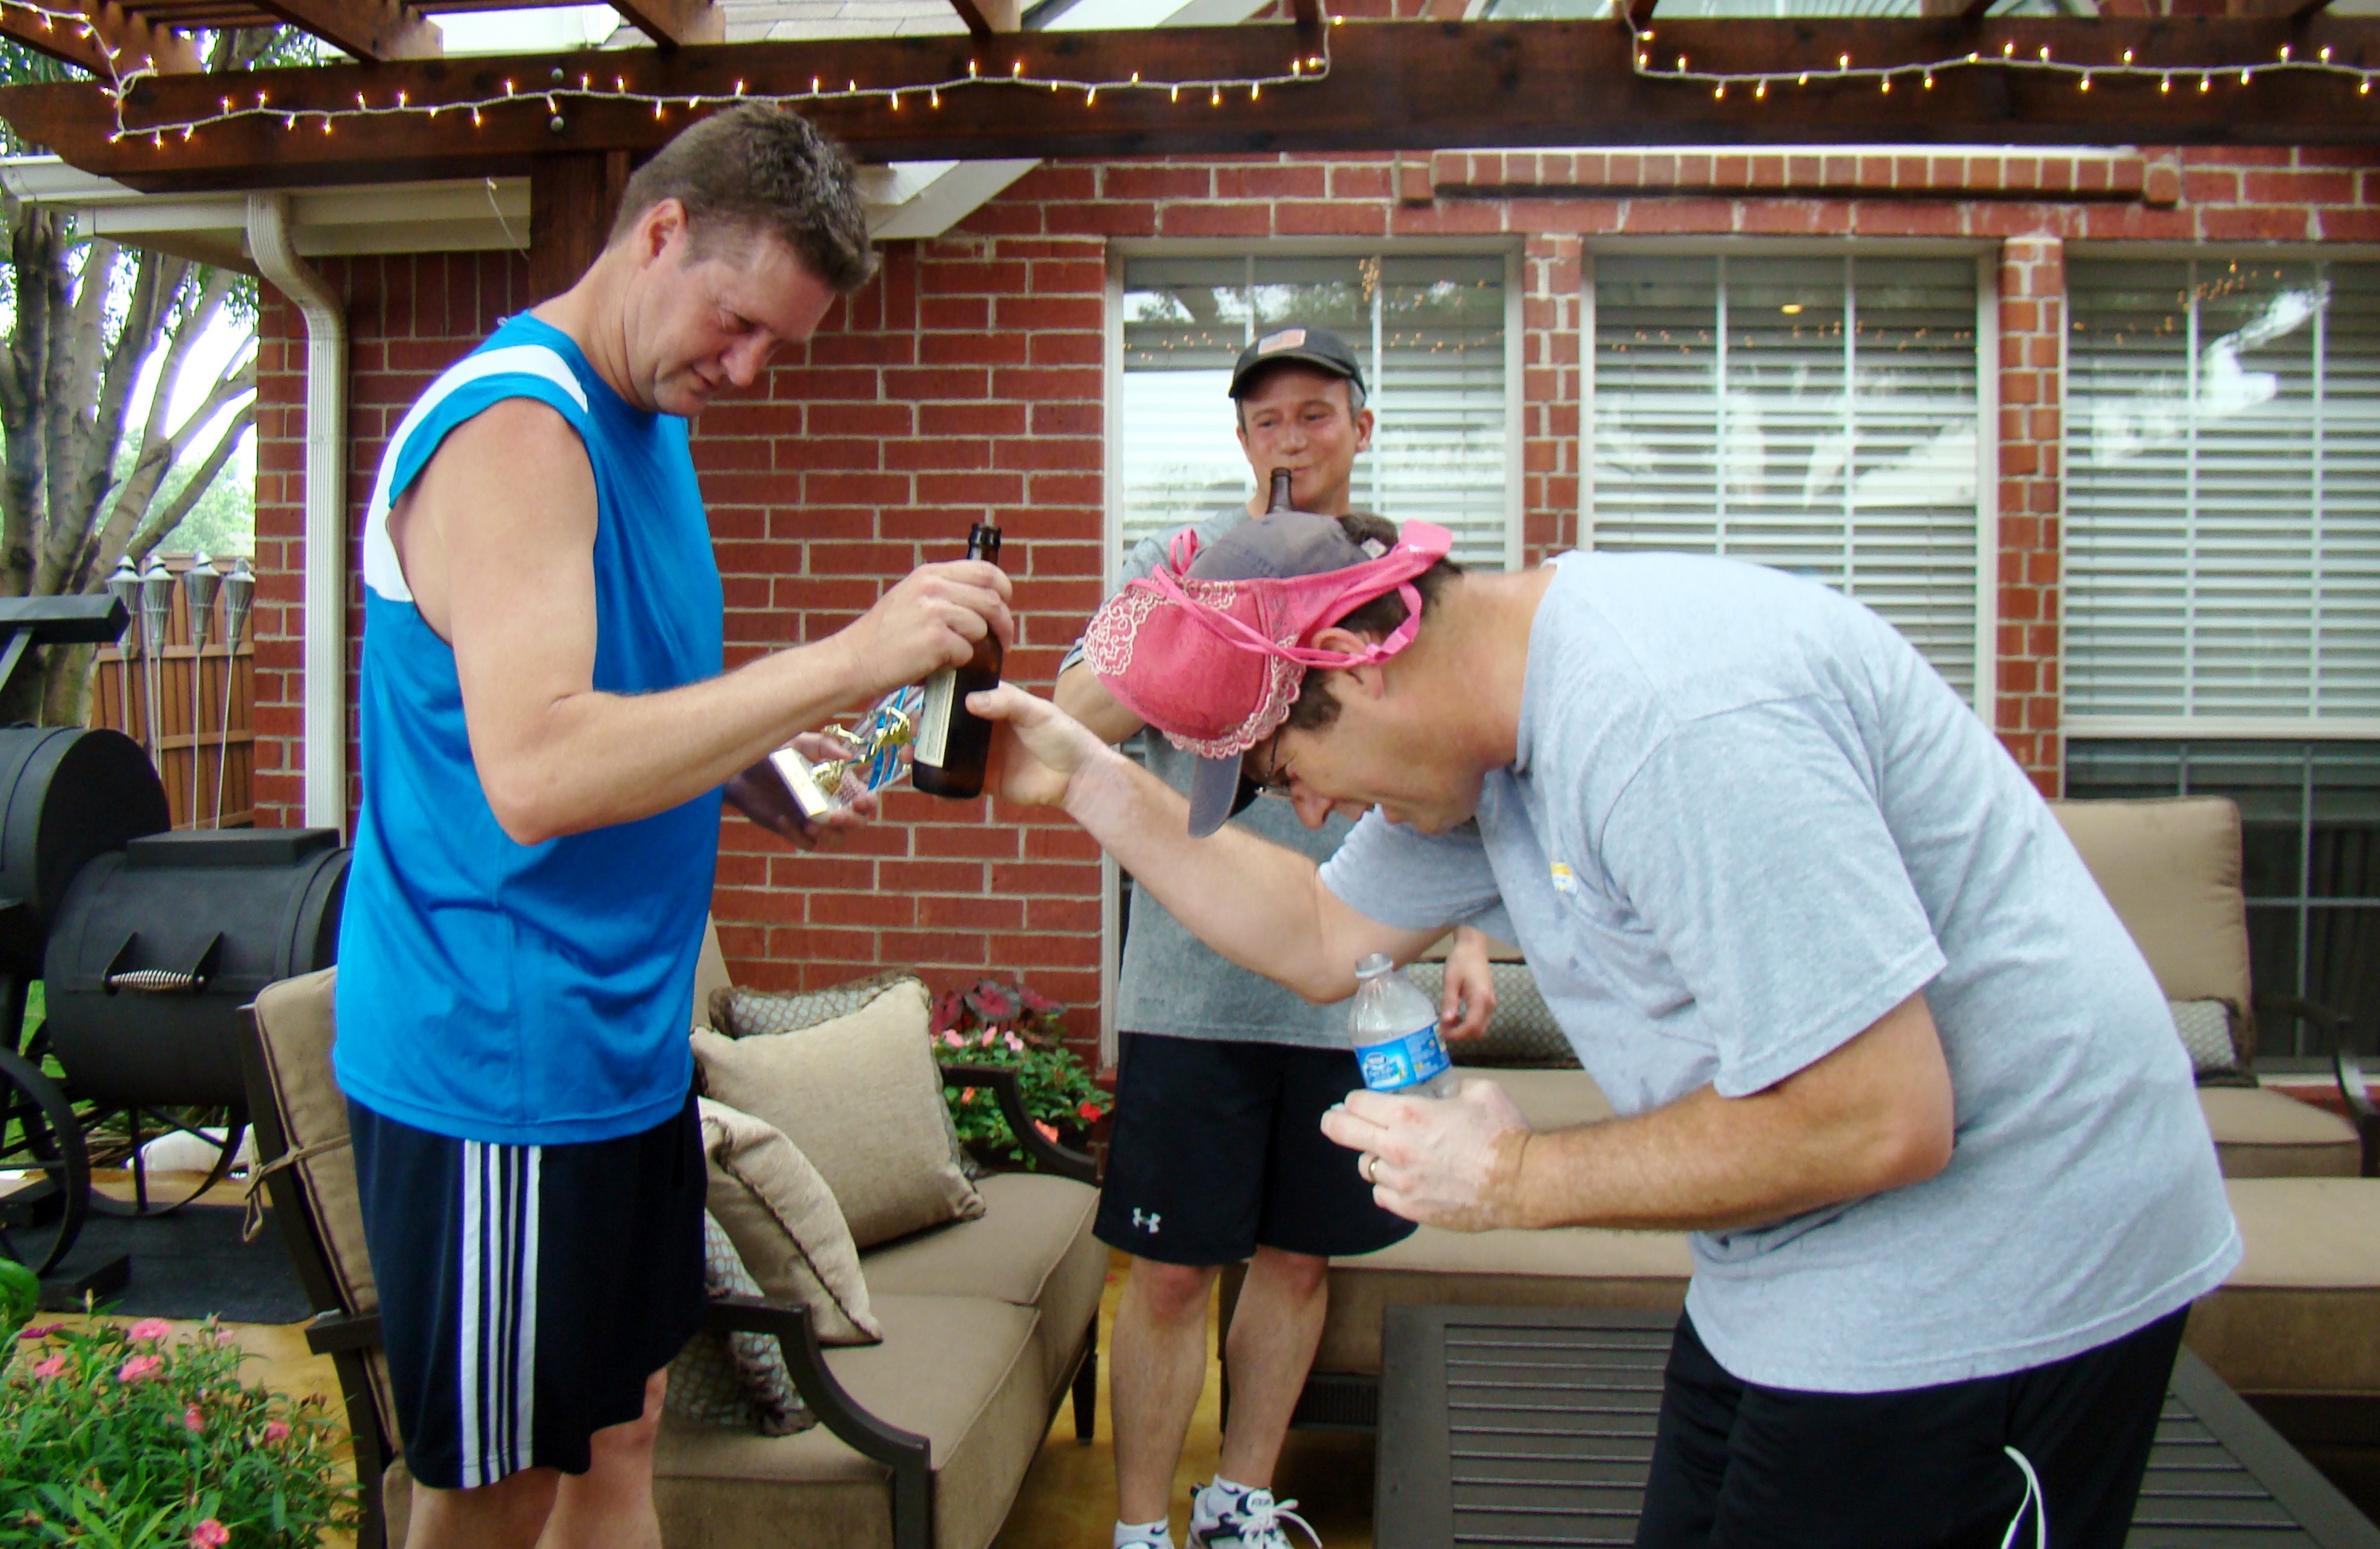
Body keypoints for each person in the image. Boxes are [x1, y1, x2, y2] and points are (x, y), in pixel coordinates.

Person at [977, 510, 2240, 1549]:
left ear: (1356, 660)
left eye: (1281, 773)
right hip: (1788, 1264)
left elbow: (1877, 1119)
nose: (1304, 813)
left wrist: (1514, 1178)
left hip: (2005, 1257)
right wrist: (1084, 777)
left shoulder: (1670, 719)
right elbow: (1317, 933)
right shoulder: (1485, 746)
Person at [333, 105, 1013, 1549]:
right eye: (738, 322)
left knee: (622, 1435)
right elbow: (535, 769)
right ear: (660, 233)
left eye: (781, 346)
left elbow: (620, 698)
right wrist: (848, 657)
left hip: (621, 1054)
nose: (748, 369)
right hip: (502, 1066)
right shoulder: (520, 429)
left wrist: (754, 765)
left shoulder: (646, 416)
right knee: (497, 1488)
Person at [1053, 327, 1496, 1549]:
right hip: (1188, 987)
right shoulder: (1175, 559)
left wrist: (1464, 932)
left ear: (1360, 426)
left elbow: (1456, 772)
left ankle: (1238, 1502)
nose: (1290, 439)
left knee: (1299, 1260)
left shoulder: (1399, 580)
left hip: (1351, 983)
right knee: (1171, 1270)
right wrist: (1207, 608)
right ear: (1241, 436)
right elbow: (1071, 717)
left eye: (1315, 414)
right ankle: (1139, 1527)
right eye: (1266, 419)